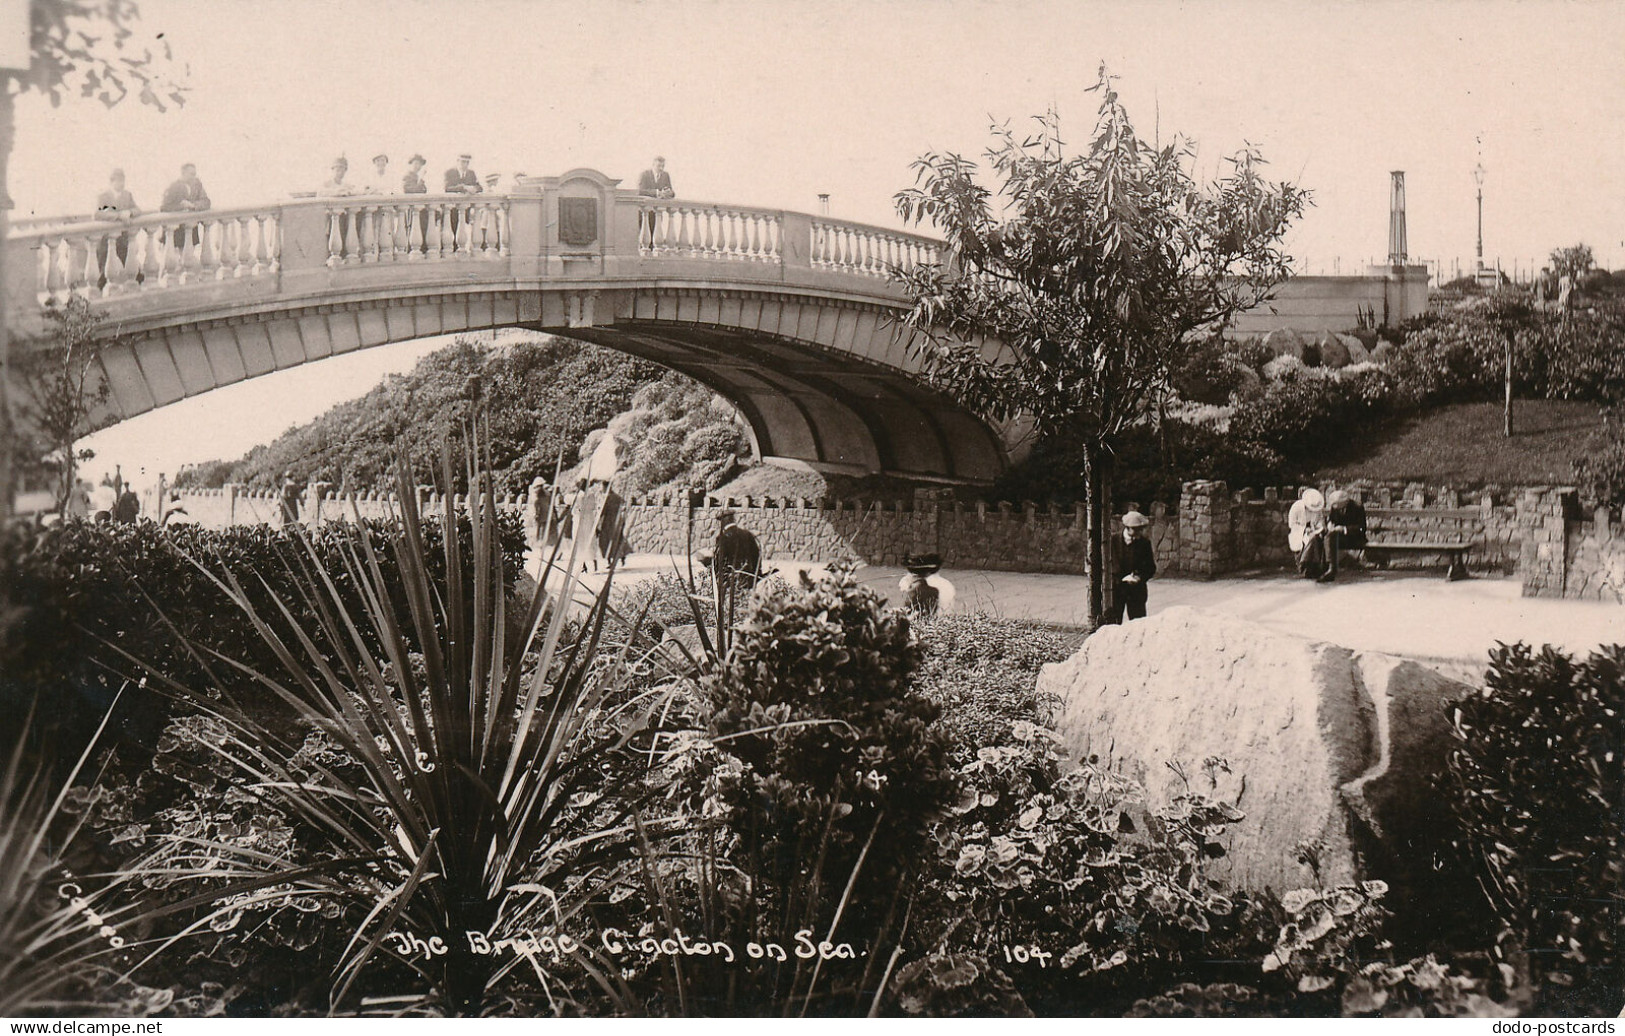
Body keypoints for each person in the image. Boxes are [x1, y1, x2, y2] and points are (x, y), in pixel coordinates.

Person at [1107, 510, 1156, 623]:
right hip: (1116, 590)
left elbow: (1150, 568)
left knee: (1138, 625)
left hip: (1136, 592)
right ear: (1127, 527)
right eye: (1135, 529)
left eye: (1141, 529)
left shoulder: (1144, 543)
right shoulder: (1112, 541)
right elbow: (1105, 565)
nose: (1139, 532)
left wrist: (1139, 577)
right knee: (1113, 624)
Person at [95, 169, 140, 285]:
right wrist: (118, 215)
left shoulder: (127, 195)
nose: (122, 184)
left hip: (123, 238)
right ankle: (98, 294)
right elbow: (98, 214)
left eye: (123, 181)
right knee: (103, 270)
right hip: (106, 239)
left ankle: (141, 287)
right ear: (112, 182)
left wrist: (129, 213)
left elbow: (138, 210)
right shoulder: (103, 197)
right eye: (119, 181)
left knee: (133, 268)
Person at [160, 162, 211, 250]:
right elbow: (164, 207)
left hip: (191, 227)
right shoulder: (173, 186)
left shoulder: (197, 184)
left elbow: (206, 201)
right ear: (183, 173)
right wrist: (181, 207)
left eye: (194, 174)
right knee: (176, 259)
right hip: (176, 229)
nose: (194, 177)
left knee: (189, 256)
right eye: (191, 174)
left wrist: (193, 206)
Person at [712, 510, 761, 602]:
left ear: (724, 521)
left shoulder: (722, 537)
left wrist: (719, 579)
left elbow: (719, 561)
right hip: (748, 578)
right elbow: (756, 556)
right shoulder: (747, 534)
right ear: (733, 519)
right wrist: (756, 575)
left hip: (730, 582)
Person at [1288, 488, 1333, 582]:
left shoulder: (1317, 509)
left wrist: (1318, 528)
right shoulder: (1296, 507)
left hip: (1314, 531)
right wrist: (1304, 529)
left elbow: (1320, 521)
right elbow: (1292, 524)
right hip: (1299, 532)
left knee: (1318, 538)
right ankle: (1305, 565)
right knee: (1312, 539)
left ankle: (1316, 566)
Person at [1327, 490, 1368, 575]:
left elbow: (1362, 528)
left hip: (1355, 538)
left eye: (1340, 506)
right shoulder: (1335, 507)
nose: (1338, 508)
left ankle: (1331, 567)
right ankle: (1329, 567)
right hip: (1339, 537)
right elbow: (1331, 519)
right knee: (1328, 537)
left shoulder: (1357, 507)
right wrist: (1330, 524)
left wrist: (1344, 529)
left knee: (1330, 539)